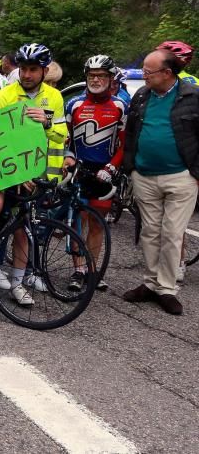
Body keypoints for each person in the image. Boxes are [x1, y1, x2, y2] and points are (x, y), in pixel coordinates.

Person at [0, 43, 67, 305]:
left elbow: (60, 134)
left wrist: (46, 123)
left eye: (33, 69)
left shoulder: (54, 98)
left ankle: (18, 283)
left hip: (36, 170)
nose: (27, 75)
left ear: (45, 71)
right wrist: (19, 173)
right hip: (8, 167)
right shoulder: (4, 96)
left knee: (25, 226)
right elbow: (1, 138)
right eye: (23, 69)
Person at [121, 49, 199, 316]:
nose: (144, 75)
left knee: (172, 234)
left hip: (181, 176)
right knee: (150, 233)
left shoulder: (192, 97)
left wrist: (196, 173)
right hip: (144, 174)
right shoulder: (142, 96)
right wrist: (130, 167)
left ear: (168, 73)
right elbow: (131, 132)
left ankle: (166, 289)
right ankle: (151, 283)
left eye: (148, 71)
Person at [63, 54, 126, 292]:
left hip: (105, 171)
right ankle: (78, 271)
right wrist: (68, 156)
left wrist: (112, 167)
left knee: (98, 224)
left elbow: (123, 144)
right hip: (79, 170)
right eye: (92, 76)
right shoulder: (74, 104)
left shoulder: (121, 106)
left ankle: (92, 270)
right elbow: (65, 138)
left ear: (111, 79)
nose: (96, 79)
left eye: (101, 76)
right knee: (78, 221)